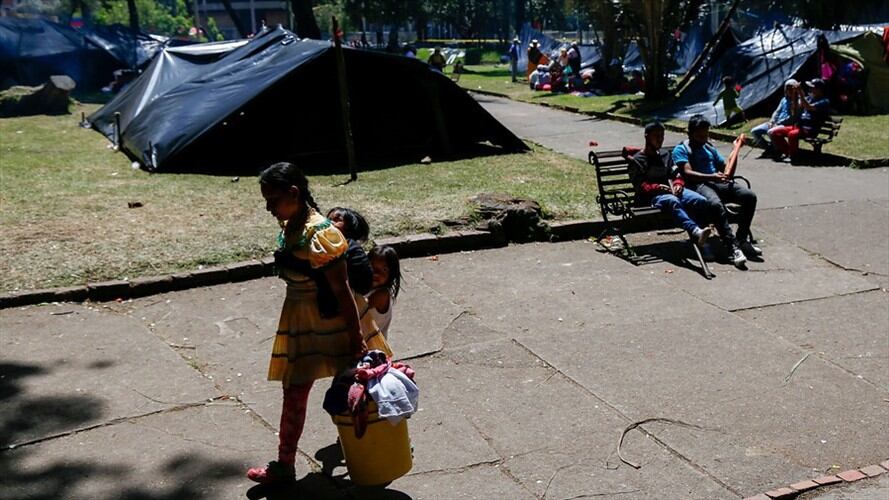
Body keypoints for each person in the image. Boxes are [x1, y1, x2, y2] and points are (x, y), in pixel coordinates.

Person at [247, 162, 367, 484]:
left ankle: (372, 450)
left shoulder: (320, 232)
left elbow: (342, 291)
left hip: (333, 324)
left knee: (357, 389)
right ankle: (284, 465)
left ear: (294, 193)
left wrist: (356, 339)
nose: (269, 208)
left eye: (273, 200)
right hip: (301, 321)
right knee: (294, 392)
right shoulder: (292, 225)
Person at [672, 115, 762, 267]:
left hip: (717, 182)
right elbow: (687, 173)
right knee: (715, 204)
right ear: (690, 133)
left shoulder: (709, 148)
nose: (703, 138)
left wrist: (736, 148)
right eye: (700, 135)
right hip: (698, 185)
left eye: (706, 134)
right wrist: (711, 176)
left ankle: (742, 238)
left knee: (749, 196)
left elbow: (726, 170)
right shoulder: (681, 149)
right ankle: (732, 246)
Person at [630, 122, 713, 248]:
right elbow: (640, 186)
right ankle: (696, 231)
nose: (660, 139)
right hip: (650, 198)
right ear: (647, 137)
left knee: (699, 200)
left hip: (670, 191)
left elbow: (676, 174)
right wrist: (657, 187)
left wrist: (678, 183)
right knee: (672, 200)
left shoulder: (665, 155)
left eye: (662, 136)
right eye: (656, 136)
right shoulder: (637, 160)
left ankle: (701, 241)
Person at [770, 79, 831, 159]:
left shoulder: (824, 101)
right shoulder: (809, 98)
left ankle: (794, 156)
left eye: (812, 87)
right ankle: (788, 152)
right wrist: (795, 93)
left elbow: (808, 107)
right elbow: (796, 108)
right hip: (799, 127)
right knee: (774, 132)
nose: (810, 89)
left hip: (810, 129)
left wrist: (800, 94)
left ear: (819, 89)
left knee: (792, 134)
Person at [326, 207, 373, 295]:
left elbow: (365, 285)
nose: (330, 223)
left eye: (337, 220)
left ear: (349, 227)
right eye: (328, 219)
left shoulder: (352, 249)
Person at [364, 245, 402, 339]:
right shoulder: (367, 288)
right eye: (372, 267)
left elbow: (359, 307)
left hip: (373, 348)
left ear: (391, 274)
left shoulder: (382, 295)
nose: (376, 273)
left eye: (384, 270)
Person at [750, 79, 799, 149]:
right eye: (787, 89)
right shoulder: (783, 99)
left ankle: (779, 150)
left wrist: (778, 123)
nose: (789, 91)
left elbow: (793, 117)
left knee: (771, 132)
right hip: (774, 123)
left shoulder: (798, 102)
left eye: (791, 89)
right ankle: (768, 148)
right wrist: (772, 121)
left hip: (785, 125)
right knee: (754, 131)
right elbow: (777, 111)